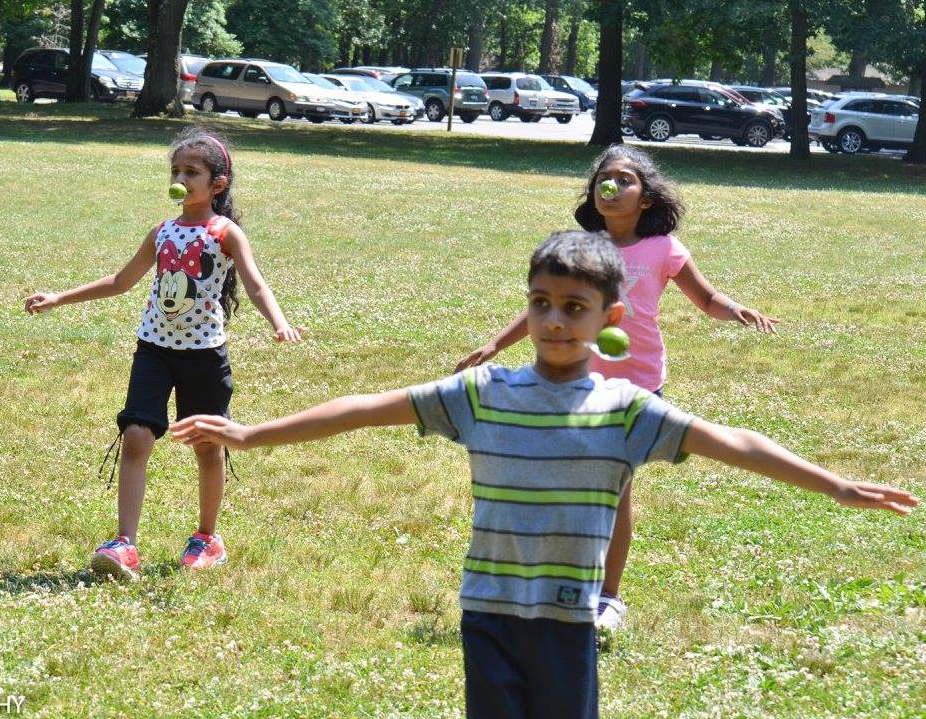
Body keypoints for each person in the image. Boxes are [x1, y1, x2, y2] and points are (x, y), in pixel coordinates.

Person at [171, 230, 915, 719]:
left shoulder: (627, 411)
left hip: (567, 618)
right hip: (489, 612)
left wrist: (836, 485)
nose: (555, 321)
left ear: (609, 319)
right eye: (541, 304)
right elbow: (367, 408)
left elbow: (735, 443)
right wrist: (254, 433)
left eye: (573, 307)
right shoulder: (481, 395)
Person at [455, 144, 778, 631]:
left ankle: (608, 596)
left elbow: (706, 297)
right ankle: (559, 576)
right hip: (576, 382)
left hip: (638, 387)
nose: (611, 187)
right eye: (604, 179)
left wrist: (735, 310)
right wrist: (495, 344)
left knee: (614, 494)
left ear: (646, 198)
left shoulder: (664, 248)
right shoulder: (584, 249)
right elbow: (548, 305)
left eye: (625, 180)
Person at [24, 128, 303, 580]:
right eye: (176, 171)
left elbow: (254, 283)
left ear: (218, 183)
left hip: (204, 356)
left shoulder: (225, 232)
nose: (180, 179)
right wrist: (59, 297)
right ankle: (124, 544)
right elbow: (121, 281)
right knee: (136, 434)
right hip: (153, 349)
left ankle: (207, 538)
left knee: (207, 446)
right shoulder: (162, 231)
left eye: (192, 172)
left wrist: (279, 321)